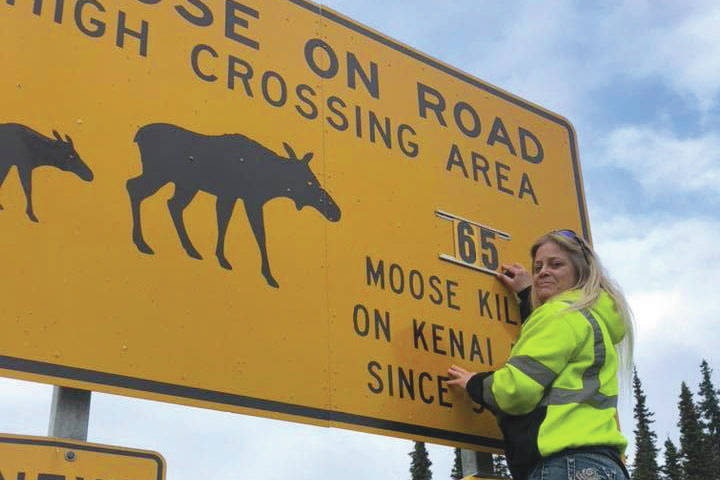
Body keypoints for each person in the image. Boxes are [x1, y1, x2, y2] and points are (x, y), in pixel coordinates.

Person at [448, 230, 634, 480]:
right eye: (538, 267)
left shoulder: (559, 315)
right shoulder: (594, 321)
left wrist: (474, 383)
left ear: (582, 272)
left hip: (565, 465)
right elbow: (551, 352)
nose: (543, 272)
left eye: (556, 265)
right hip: (605, 467)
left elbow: (517, 390)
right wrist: (527, 293)